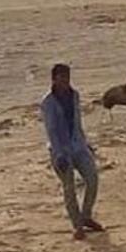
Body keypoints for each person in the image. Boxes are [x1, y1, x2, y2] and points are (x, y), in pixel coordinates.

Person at [39, 62, 102, 240]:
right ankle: (77, 225)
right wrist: (59, 154)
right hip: (61, 151)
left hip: (78, 146)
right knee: (69, 188)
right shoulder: (48, 102)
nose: (65, 81)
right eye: (61, 78)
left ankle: (86, 216)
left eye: (67, 77)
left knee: (92, 179)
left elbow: (77, 122)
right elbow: (51, 131)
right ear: (54, 79)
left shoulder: (75, 96)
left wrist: (85, 142)